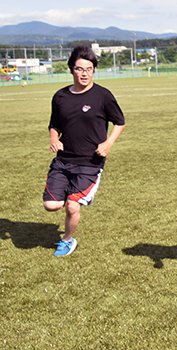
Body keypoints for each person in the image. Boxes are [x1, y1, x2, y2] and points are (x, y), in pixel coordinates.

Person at [43, 45, 126, 257]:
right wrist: (54, 138)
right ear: (71, 69)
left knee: (72, 205)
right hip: (63, 161)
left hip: (90, 162)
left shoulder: (103, 96)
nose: (84, 74)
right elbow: (55, 124)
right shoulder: (60, 97)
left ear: (94, 71)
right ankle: (69, 197)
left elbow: (120, 122)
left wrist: (108, 144)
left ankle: (67, 240)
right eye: (80, 69)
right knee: (51, 205)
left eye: (89, 69)